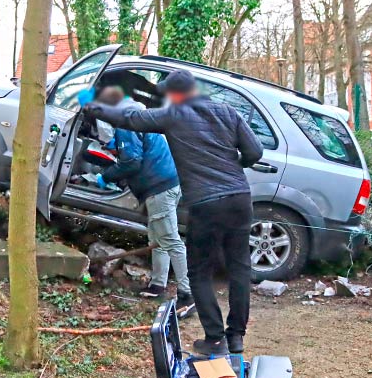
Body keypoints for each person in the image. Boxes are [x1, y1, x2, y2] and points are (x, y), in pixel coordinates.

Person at [84, 71, 263, 356]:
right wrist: (233, 164)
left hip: (206, 202)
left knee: (200, 271)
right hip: (240, 199)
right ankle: (236, 337)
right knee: (239, 268)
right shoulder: (227, 112)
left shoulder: (174, 115)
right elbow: (255, 152)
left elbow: (131, 120)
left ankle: (216, 339)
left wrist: (94, 105)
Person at [93, 86, 194, 309]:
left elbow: (131, 160)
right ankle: (157, 285)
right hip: (164, 183)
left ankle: (187, 293)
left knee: (170, 240)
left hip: (159, 187)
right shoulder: (135, 115)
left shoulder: (126, 123)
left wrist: (106, 176)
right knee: (157, 240)